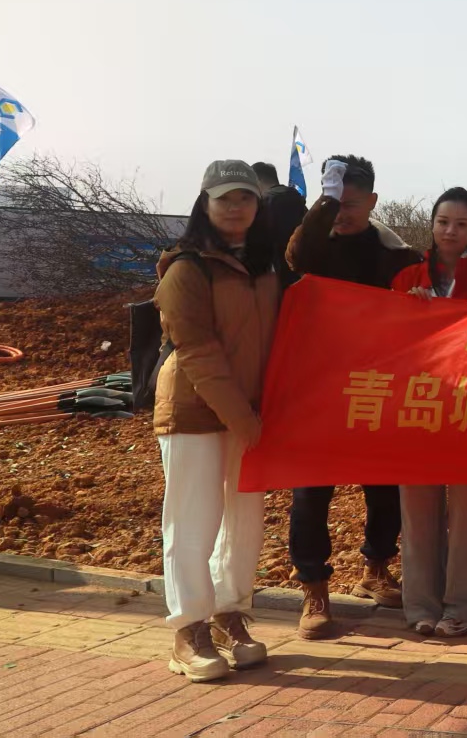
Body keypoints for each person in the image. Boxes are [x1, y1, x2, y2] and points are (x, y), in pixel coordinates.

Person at [154, 160, 282, 683]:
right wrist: (241, 416)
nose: (235, 207)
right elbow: (198, 351)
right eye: (224, 198)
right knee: (193, 520)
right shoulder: (187, 268)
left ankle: (229, 613)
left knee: (244, 519)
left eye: (245, 198)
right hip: (193, 410)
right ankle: (189, 630)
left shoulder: (266, 266)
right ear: (204, 203)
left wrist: (257, 413)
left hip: (248, 414)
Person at [284, 154, 417, 636]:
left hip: (375, 386)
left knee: (385, 487)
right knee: (310, 492)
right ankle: (314, 589)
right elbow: (299, 254)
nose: (342, 214)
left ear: (373, 201)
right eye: (335, 204)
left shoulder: (397, 256)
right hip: (319, 387)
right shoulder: (314, 248)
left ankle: (375, 567)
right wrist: (325, 201)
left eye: (351, 205)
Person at [390, 188, 467, 640]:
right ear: (432, 225)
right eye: (443, 222)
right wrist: (408, 312)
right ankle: (420, 604)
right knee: (418, 508)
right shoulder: (406, 279)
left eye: (461, 224)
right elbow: (385, 339)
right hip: (418, 403)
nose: (450, 231)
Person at [251, 161, 307, 288]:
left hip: (277, 283)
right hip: (303, 278)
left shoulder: (264, 205)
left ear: (257, 181)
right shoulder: (299, 202)